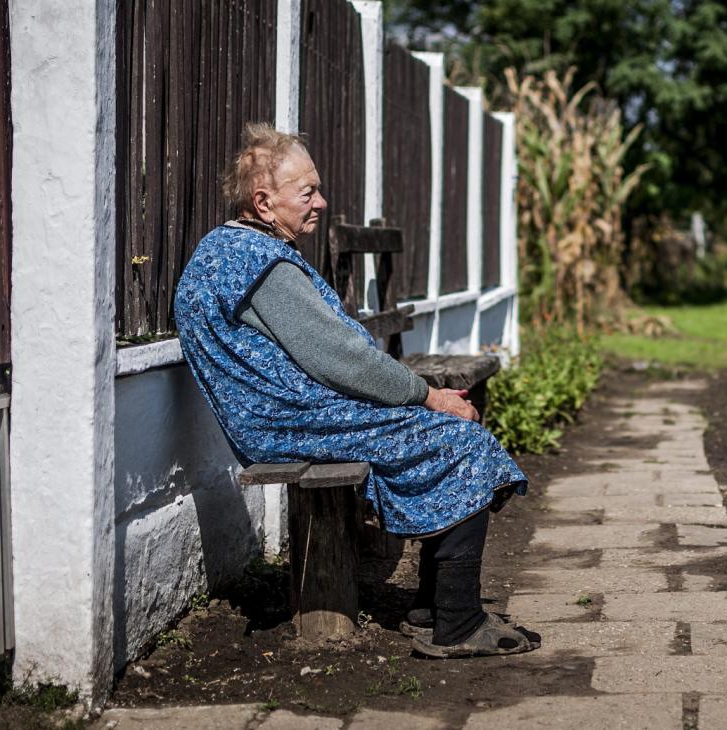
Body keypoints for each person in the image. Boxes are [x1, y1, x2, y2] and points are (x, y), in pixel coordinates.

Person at [174, 122, 539, 658]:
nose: (321, 201)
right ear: (264, 202)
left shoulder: (229, 250)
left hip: (281, 416)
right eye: (308, 192)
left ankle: (430, 609)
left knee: (447, 432)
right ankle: (457, 625)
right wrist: (428, 394)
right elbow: (339, 359)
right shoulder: (259, 265)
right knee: (464, 443)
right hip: (289, 422)